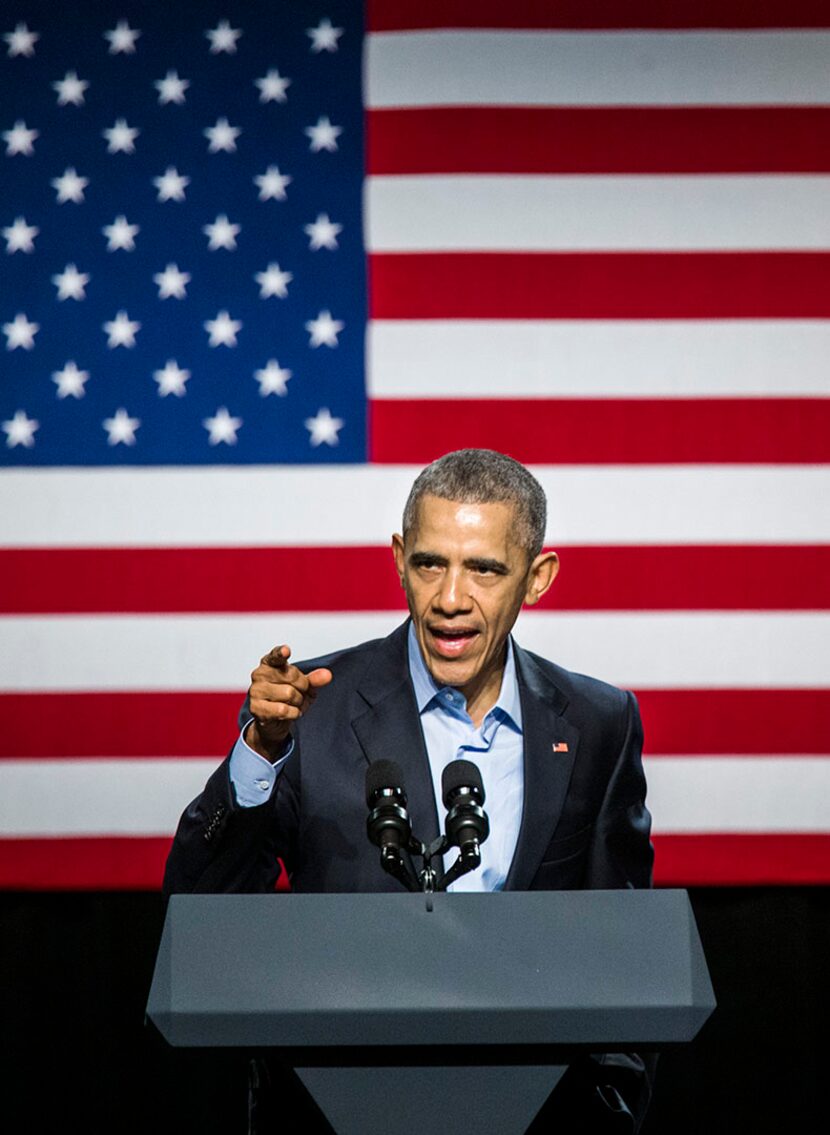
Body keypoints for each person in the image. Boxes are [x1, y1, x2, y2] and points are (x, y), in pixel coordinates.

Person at [164, 448, 655, 1131]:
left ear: (537, 577)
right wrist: (258, 753)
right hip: (336, 1111)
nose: (450, 598)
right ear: (399, 557)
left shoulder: (599, 721)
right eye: (430, 563)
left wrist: (603, 1112)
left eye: (484, 568)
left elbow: (619, 951)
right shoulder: (310, 709)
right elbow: (200, 908)